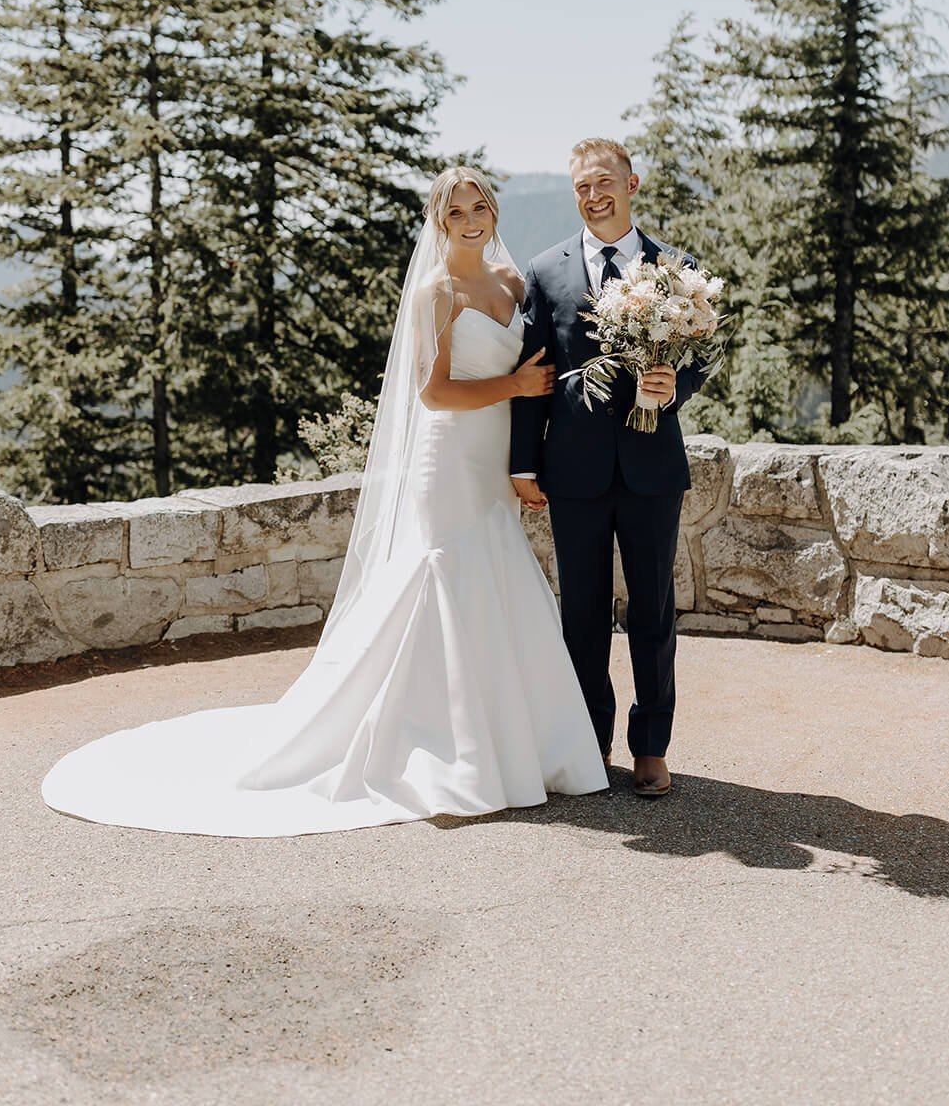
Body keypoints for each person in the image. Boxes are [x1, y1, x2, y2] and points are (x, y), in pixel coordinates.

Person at [41, 168, 608, 836]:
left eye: (478, 205)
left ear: (491, 211)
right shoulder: (436, 293)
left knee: (501, 581)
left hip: (495, 463)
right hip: (449, 459)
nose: (470, 219)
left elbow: (546, 371)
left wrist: (529, 445)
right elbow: (433, 395)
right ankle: (449, 751)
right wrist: (513, 384)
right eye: (455, 211)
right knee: (448, 578)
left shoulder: (513, 284)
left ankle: (520, 746)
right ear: (439, 222)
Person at [510, 137, 705, 798]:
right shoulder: (545, 270)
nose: (593, 196)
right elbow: (531, 377)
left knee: (653, 613)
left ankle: (650, 747)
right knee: (581, 617)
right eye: (581, 188)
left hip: (652, 469)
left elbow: (701, 355)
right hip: (573, 470)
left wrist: (671, 385)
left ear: (632, 183)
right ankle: (585, 740)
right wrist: (521, 463)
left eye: (603, 183)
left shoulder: (677, 270)